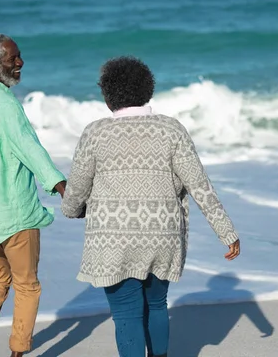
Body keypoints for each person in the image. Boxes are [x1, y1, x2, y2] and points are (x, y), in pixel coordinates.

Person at [61, 56, 240, 357]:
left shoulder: (95, 133)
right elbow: (200, 185)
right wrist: (227, 232)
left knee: (126, 314)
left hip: (113, 240)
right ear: (148, 90)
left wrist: (73, 208)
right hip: (162, 236)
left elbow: (75, 194)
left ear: (107, 96)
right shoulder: (172, 129)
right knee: (157, 305)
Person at [0, 33, 67, 357]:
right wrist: (61, 186)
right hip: (14, 213)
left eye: (19, 55)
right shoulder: (6, 104)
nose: (20, 62)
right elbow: (30, 149)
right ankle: (18, 352)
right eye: (12, 58)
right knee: (27, 285)